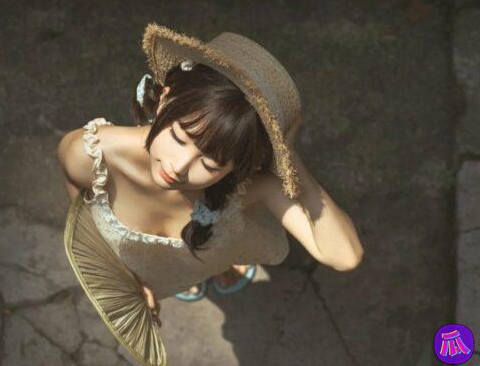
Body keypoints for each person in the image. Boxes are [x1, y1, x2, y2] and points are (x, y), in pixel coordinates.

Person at [57, 24, 364, 362]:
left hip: (203, 253)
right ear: (165, 98)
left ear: (240, 165)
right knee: (201, 250)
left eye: (211, 162)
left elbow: (344, 256)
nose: (179, 167)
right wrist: (126, 280)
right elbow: (81, 218)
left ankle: (215, 265)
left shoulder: (248, 187)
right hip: (150, 267)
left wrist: (290, 160)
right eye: (179, 137)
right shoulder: (92, 154)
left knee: (209, 253)